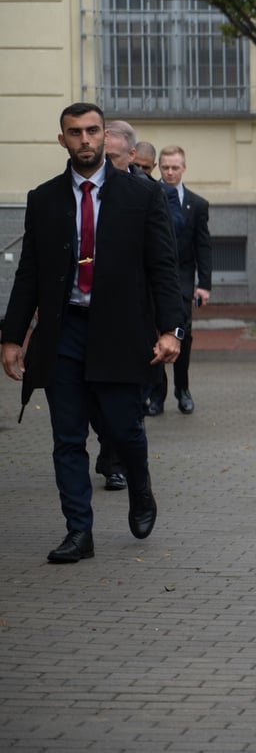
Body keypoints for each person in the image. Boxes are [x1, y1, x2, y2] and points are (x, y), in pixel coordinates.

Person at [0, 102, 184, 563]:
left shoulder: (141, 196)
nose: (85, 140)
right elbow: (30, 273)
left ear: (105, 137)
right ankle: (79, 532)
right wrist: (11, 335)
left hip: (120, 334)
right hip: (64, 333)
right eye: (75, 132)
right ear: (62, 139)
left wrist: (170, 330)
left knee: (124, 429)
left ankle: (140, 489)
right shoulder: (44, 199)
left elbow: (163, 267)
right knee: (67, 437)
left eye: (92, 131)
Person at [146, 145, 212, 415]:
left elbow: (203, 246)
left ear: (184, 168)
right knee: (155, 336)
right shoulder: (149, 197)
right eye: (165, 167)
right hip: (153, 282)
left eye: (175, 167)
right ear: (158, 168)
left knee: (181, 335)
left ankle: (182, 389)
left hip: (183, 284)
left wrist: (204, 284)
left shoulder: (196, 204)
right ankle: (156, 394)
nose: (170, 172)